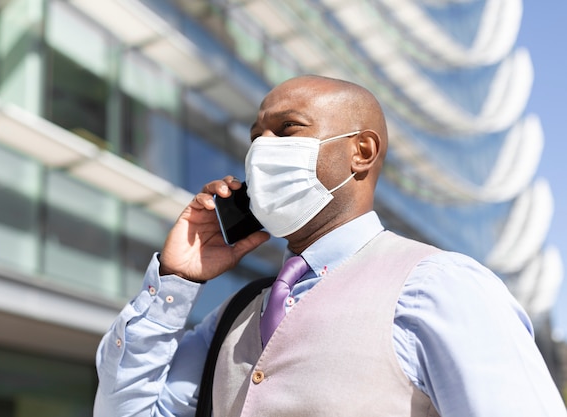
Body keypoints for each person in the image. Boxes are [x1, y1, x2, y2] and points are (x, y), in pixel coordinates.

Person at [94, 75, 566, 416]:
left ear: (361, 151)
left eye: (287, 129)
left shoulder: (438, 286)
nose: (262, 148)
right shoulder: (236, 315)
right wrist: (177, 278)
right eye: (256, 135)